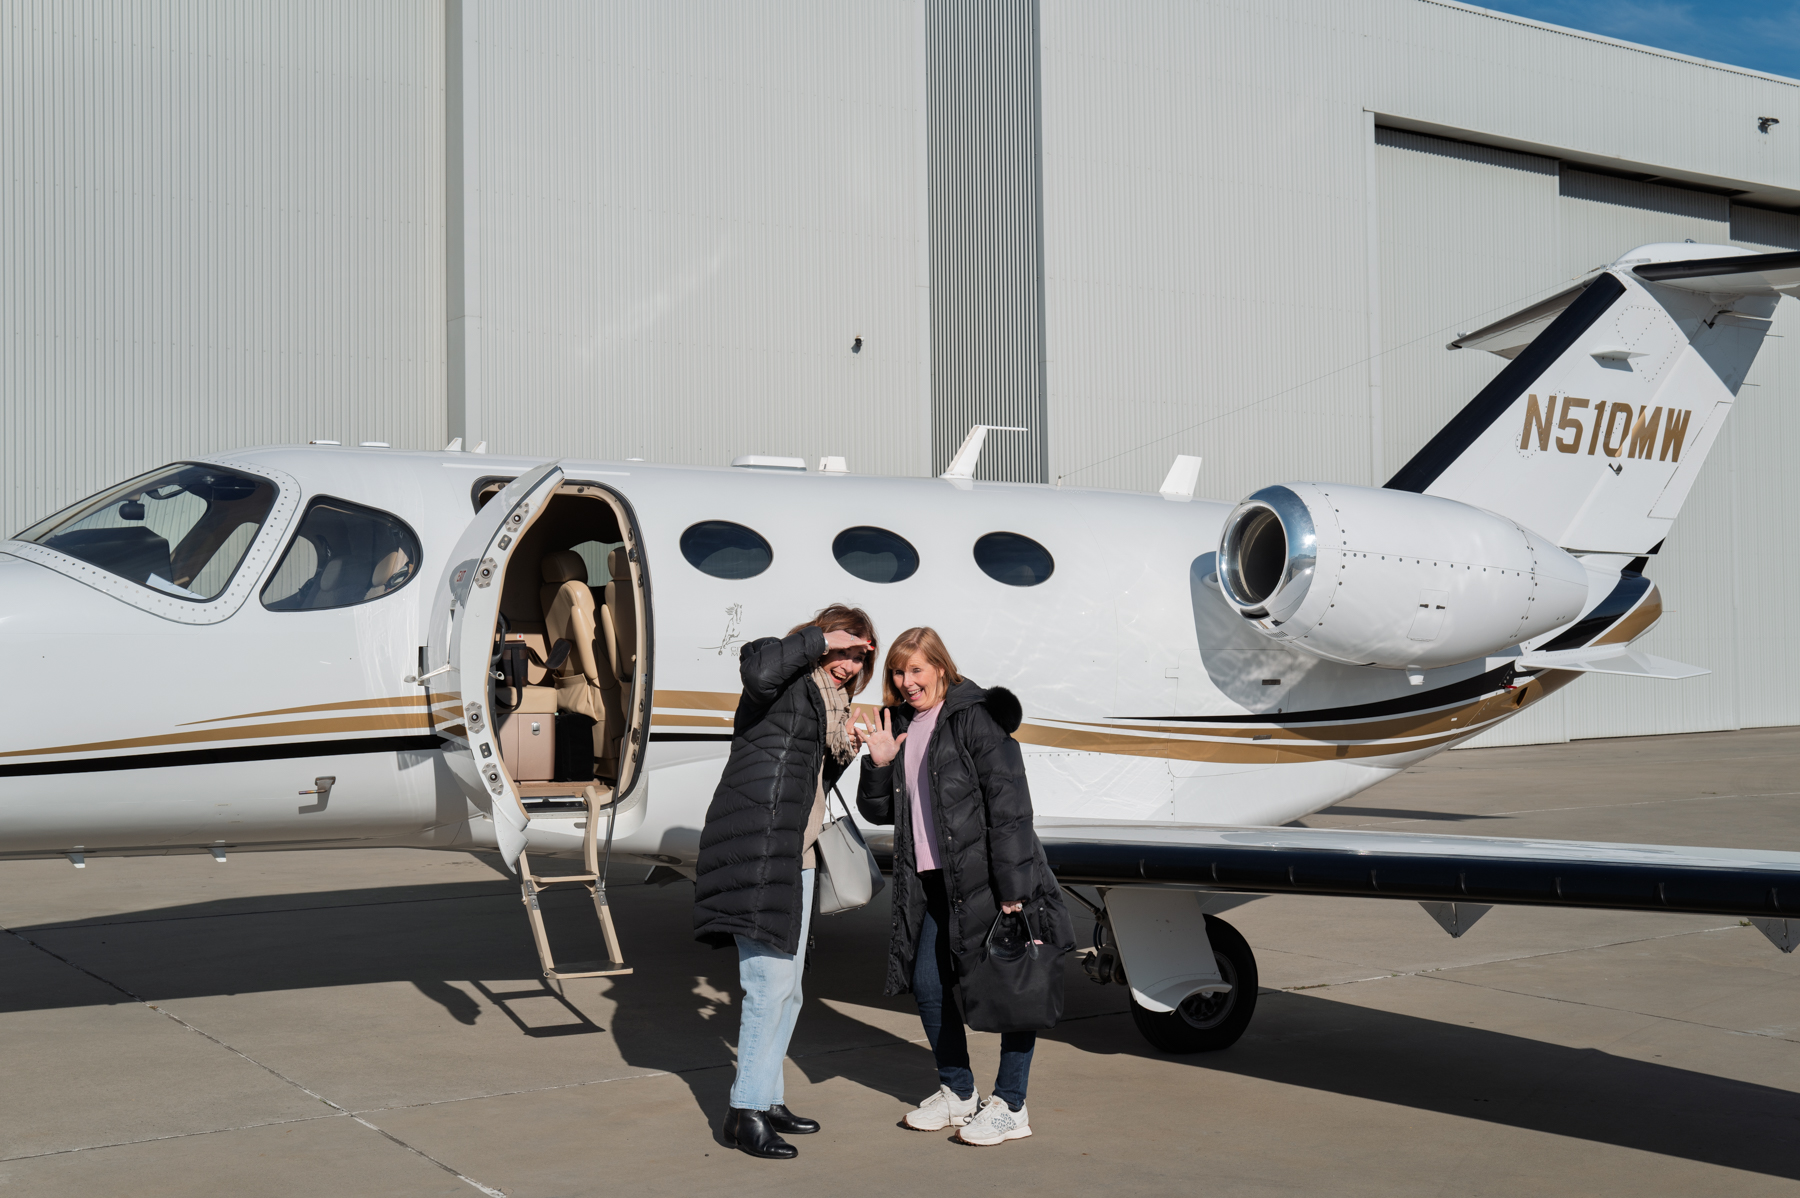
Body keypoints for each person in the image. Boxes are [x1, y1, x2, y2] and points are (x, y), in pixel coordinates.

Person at [854, 626, 1075, 1147]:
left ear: (940, 667)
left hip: (988, 882)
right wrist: (879, 764)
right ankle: (958, 1093)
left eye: (916, 670)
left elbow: (1010, 805)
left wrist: (1014, 886)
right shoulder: (904, 724)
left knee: (1013, 986)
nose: (907, 682)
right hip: (932, 882)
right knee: (929, 988)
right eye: (898, 672)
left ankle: (1011, 1106)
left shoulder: (975, 718)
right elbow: (880, 812)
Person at [693, 604, 877, 1160]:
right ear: (820, 639)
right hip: (757, 848)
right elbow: (757, 671)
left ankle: (767, 1099)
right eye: (842, 651)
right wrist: (824, 637)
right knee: (767, 988)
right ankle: (743, 1113)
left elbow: (809, 780)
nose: (847, 664)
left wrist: (867, 752)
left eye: (857, 656)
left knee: (789, 990)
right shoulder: (776, 673)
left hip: (795, 856)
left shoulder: (828, 707)